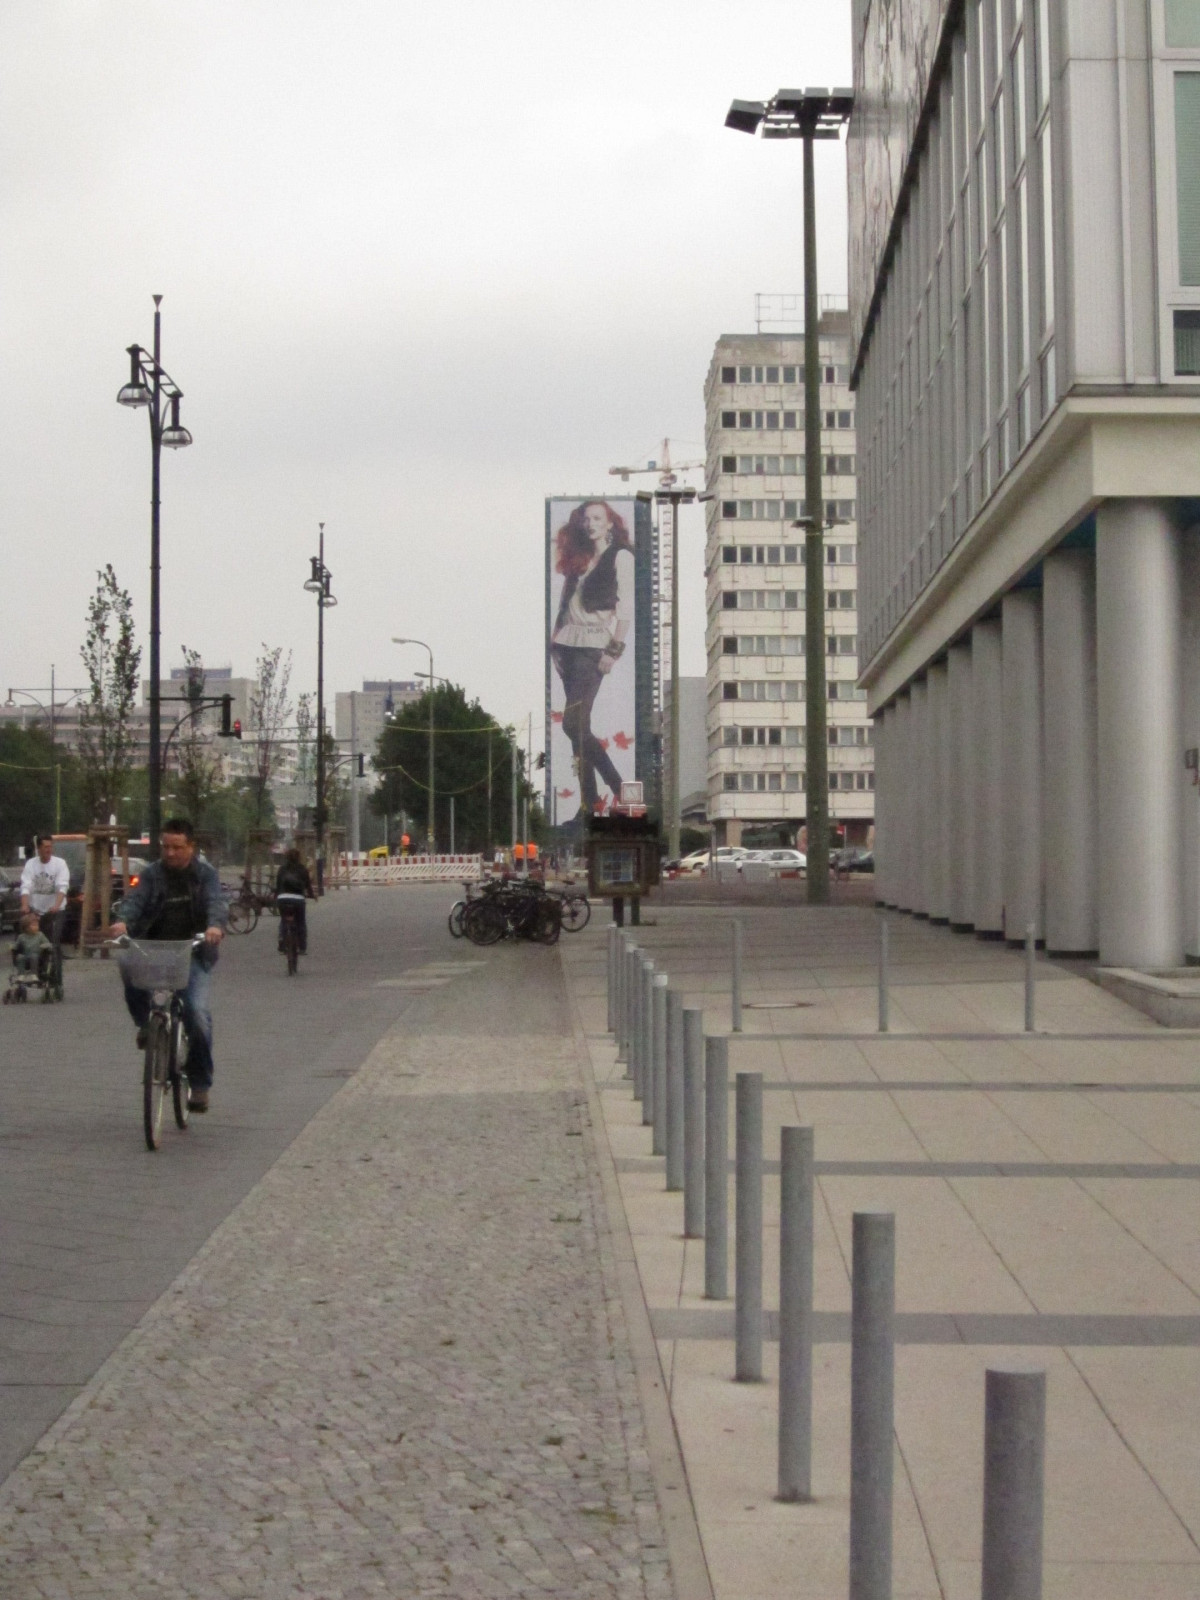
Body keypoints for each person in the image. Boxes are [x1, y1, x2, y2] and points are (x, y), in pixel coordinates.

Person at [110, 817, 227, 1113]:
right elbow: (135, 901)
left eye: (177, 847)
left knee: (196, 1013)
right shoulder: (152, 874)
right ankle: (144, 1025)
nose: (170, 853)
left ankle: (199, 1084)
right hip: (152, 948)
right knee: (125, 961)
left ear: (191, 846)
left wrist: (214, 926)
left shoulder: (205, 875)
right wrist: (123, 922)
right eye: (166, 847)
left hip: (193, 952)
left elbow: (216, 902)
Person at [550, 500, 634, 820]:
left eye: (598, 518)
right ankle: (590, 803)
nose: (591, 524)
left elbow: (625, 609)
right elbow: (565, 603)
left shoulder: (621, 556)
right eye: (586, 519)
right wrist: (555, 645)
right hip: (567, 645)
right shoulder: (581, 558)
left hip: (594, 645)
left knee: (572, 724)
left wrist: (613, 651)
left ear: (610, 523)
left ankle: (622, 791)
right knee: (579, 728)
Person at [19, 833, 69, 943]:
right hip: (36, 910)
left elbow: (62, 887)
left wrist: (56, 906)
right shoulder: (31, 864)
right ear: (39, 848)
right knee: (32, 941)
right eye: (46, 847)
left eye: (50, 846)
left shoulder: (60, 864)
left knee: (53, 942)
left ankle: (55, 952)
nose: (49, 850)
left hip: (55, 911)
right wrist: (25, 905)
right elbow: (26, 886)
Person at [274, 846, 315, 954]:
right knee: (301, 922)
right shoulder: (303, 869)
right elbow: (308, 886)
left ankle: (282, 941)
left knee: (284, 920)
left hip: (283, 899)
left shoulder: (282, 869)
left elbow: (278, 885)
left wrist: (276, 897)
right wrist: (312, 895)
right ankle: (302, 947)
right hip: (298, 899)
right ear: (299, 857)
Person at [13, 912, 53, 978]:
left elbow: (48, 943)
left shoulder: (40, 935)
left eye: (37, 925)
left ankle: (34, 974)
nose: (37, 927)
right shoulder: (21, 937)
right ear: (26, 927)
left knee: (33, 956)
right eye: (34, 925)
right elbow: (16, 946)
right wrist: (13, 948)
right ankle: (21, 975)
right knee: (20, 957)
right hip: (26, 956)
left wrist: (46, 946)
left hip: (38, 957)